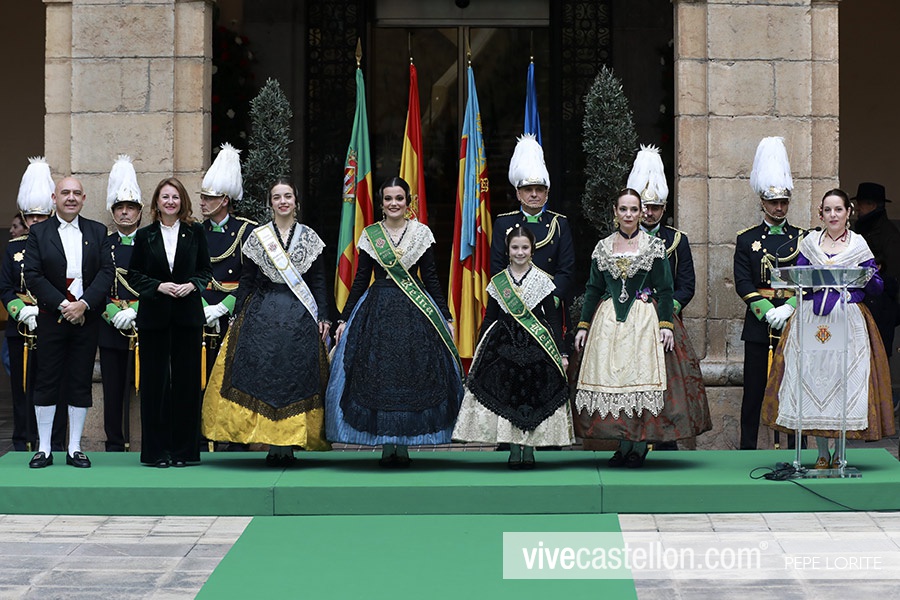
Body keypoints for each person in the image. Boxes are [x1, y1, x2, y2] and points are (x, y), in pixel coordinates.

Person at [326, 176, 463, 467]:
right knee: (380, 378)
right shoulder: (371, 234)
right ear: (381, 203)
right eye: (388, 199)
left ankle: (404, 446)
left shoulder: (421, 233)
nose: (394, 203)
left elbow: (432, 278)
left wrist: (445, 315)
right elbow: (361, 279)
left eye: (399, 198)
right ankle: (388, 445)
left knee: (412, 376)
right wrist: (344, 318)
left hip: (415, 312)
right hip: (378, 311)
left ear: (408, 201)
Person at [762, 189, 895, 468]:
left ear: (848, 212)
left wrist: (868, 278)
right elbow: (798, 279)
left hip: (848, 320)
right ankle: (822, 453)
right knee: (813, 380)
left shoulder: (858, 245)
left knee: (843, 382)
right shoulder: (810, 243)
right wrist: (790, 303)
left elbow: (877, 287)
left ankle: (841, 454)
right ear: (820, 214)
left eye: (838, 209)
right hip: (812, 320)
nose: (833, 215)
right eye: (827, 210)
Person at [202, 178, 331, 465]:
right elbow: (247, 280)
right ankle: (270, 444)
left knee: (296, 378)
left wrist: (323, 316)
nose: (283, 201)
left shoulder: (310, 238)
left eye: (288, 196)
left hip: (300, 319)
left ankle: (291, 442)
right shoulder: (258, 237)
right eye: (277, 197)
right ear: (270, 203)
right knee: (262, 379)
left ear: (296, 201)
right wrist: (236, 316)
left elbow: (319, 281)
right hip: (261, 317)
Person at [452, 225, 573, 468]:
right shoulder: (498, 282)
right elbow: (490, 317)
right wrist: (479, 350)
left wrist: (561, 352)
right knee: (508, 398)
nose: (520, 252)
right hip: (503, 345)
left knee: (533, 397)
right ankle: (514, 450)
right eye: (515, 247)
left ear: (532, 250)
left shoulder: (542, 280)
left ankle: (529, 450)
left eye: (524, 247)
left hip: (537, 346)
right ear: (507, 250)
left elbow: (552, 319)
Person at [573, 188, 675, 468]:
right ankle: (623, 444)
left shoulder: (653, 246)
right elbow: (593, 289)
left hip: (643, 321)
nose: (628, 214)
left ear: (641, 213)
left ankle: (639, 446)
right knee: (615, 383)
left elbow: (666, 289)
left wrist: (666, 324)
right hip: (608, 323)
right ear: (615, 212)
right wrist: (583, 326)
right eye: (623, 209)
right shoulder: (603, 247)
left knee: (639, 380)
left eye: (633, 209)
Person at [23, 175, 115, 468]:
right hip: (52, 318)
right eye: (65, 193)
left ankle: (75, 448)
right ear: (55, 198)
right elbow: (33, 275)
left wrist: (84, 304)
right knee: (47, 380)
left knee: (80, 380)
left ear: (84, 199)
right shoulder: (39, 233)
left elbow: (106, 272)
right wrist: (64, 306)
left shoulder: (97, 231)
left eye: (76, 193)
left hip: (86, 319)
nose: (71, 197)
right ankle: (45, 448)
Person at [126, 177, 212, 467]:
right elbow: (134, 275)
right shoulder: (144, 235)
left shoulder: (196, 232)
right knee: (154, 385)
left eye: (175, 197)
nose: (170, 202)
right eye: (165, 197)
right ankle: (156, 452)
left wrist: (192, 285)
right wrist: (158, 287)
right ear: (157, 202)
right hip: (154, 317)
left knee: (187, 384)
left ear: (182, 201)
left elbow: (205, 270)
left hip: (188, 317)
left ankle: (184, 452)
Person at [632, 145, 712, 449]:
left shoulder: (677, 240)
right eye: (645, 206)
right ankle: (634, 441)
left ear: (664, 209)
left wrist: (665, 310)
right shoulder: (625, 240)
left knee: (669, 386)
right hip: (632, 323)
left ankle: (666, 443)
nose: (649, 212)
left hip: (667, 324)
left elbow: (687, 285)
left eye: (655, 207)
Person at [732, 136, 804, 450]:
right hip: (759, 324)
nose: (779, 207)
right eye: (773, 202)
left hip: (792, 321)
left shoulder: (803, 238)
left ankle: (797, 449)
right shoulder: (746, 239)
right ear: (762, 201)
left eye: (784, 202)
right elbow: (743, 282)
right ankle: (747, 449)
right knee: (753, 392)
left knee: (794, 389)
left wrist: (789, 306)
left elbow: (807, 281)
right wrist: (766, 310)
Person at [198, 143, 255, 451]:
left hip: (233, 314)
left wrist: (223, 307)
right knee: (200, 377)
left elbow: (251, 279)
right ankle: (201, 436)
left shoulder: (247, 231)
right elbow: (188, 274)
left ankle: (235, 440)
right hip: (201, 313)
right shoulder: (195, 232)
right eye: (203, 197)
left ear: (224, 200)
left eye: (209, 198)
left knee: (233, 380)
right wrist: (202, 307)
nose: (203, 202)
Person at [0, 158, 58, 452]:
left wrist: (44, 308)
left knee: (48, 385)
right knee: (21, 387)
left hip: (49, 323)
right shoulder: (13, 248)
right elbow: (5, 286)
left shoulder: (59, 246)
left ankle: (50, 443)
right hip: (20, 327)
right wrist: (20, 310)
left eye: (41, 216)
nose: (36, 221)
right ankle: (22, 441)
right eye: (31, 217)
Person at [490, 134, 575, 307]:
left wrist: (553, 298)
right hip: (513, 303)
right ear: (518, 193)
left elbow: (566, 268)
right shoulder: (503, 223)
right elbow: (497, 267)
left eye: (539, 189)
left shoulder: (559, 224)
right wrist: (511, 300)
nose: (534, 194)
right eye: (528, 189)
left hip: (549, 302)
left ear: (547, 193)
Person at [98, 156, 143, 452]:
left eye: (130, 207)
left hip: (144, 325)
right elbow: (94, 285)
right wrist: (113, 313)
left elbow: (159, 283)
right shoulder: (104, 244)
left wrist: (137, 311)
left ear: (139, 212)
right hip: (111, 327)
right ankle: (114, 443)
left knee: (149, 389)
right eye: (119, 208)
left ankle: (151, 443)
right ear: (113, 212)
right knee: (112, 391)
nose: (125, 212)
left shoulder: (151, 242)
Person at [851, 182, 900, 360]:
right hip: (865, 304)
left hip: (880, 307)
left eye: (861, 204)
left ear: (872, 205)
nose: (857, 208)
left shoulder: (889, 234)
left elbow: (892, 277)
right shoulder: (864, 229)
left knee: (878, 358)